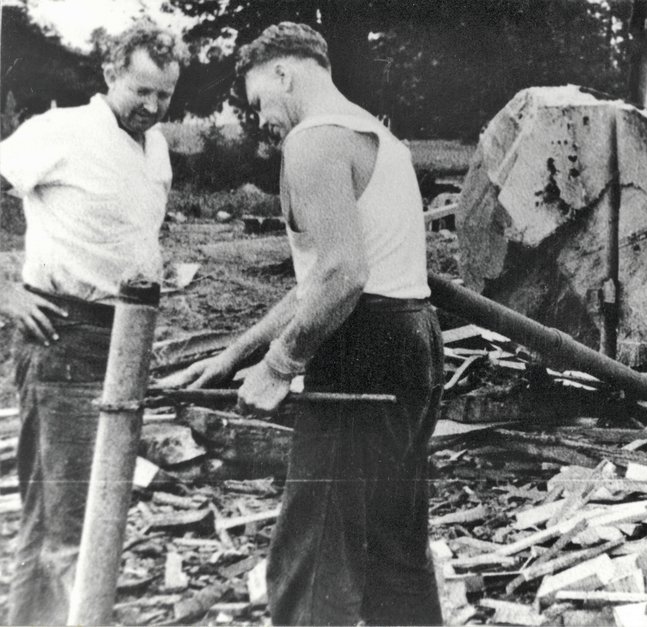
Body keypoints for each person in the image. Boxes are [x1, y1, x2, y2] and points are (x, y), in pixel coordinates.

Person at [161, 22, 444, 626]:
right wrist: (236, 354)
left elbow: (342, 274)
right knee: (394, 552)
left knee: (314, 559)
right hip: (412, 337)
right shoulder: (377, 136)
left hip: (359, 348)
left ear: (284, 72)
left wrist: (280, 364)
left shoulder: (313, 142)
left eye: (260, 99)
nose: (262, 117)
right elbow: (318, 281)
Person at [0, 23, 186, 625]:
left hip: (126, 340)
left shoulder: (151, 145)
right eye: (141, 91)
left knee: (60, 516)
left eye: (165, 96)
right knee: (75, 526)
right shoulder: (59, 132)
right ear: (109, 74)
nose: (153, 108)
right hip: (63, 339)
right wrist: (4, 292)